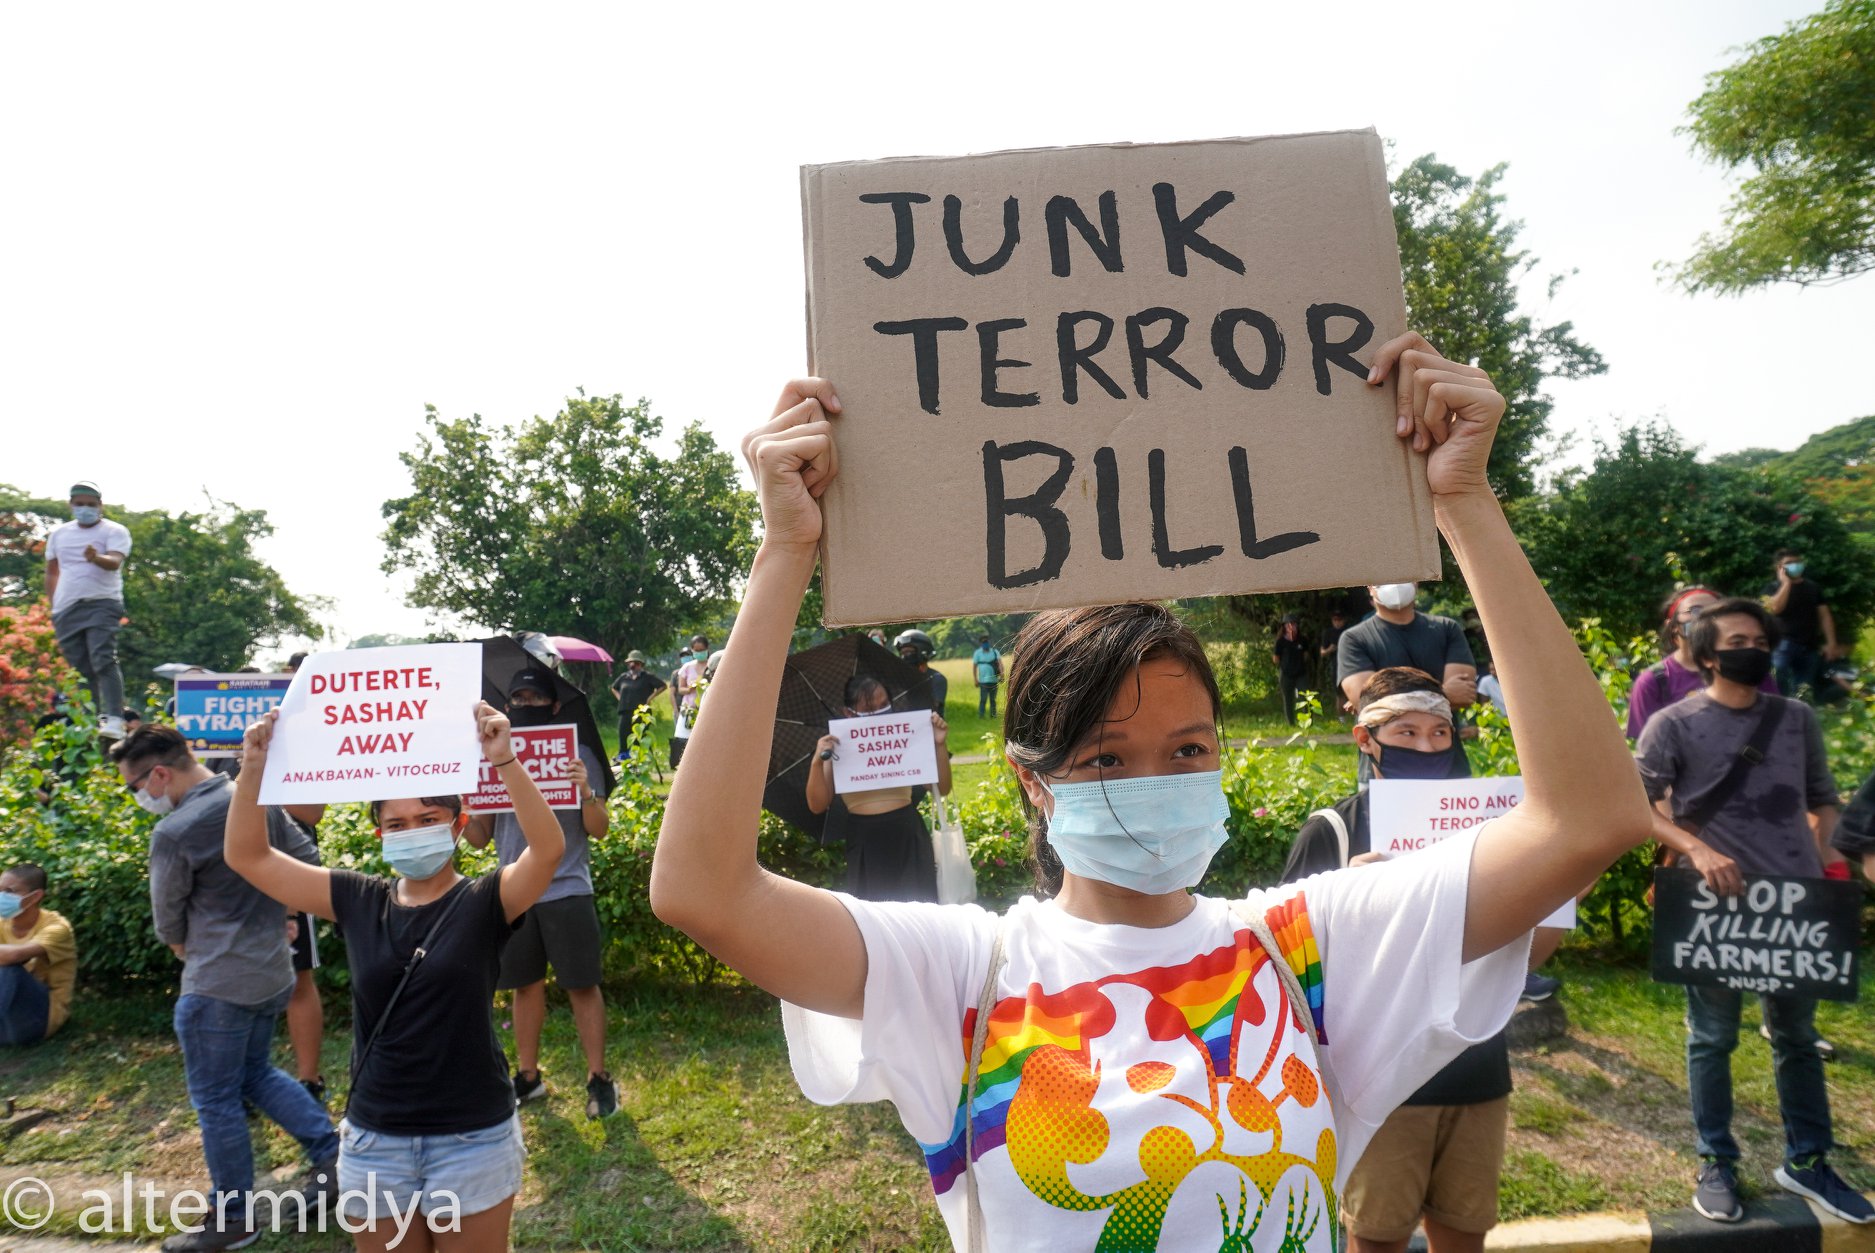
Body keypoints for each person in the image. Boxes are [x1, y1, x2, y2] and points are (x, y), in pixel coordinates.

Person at [650, 341, 1655, 1250]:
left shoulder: (1309, 949)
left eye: (1187, 748)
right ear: (1032, 781)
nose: (1155, 784)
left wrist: (1464, 503)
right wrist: (784, 554)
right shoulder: (958, 975)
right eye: (1103, 758)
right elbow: (703, 888)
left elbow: (1589, 817)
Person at [224, 701, 564, 1252]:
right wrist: (253, 770)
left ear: (458, 825)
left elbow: (548, 851)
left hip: (473, 1137)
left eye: (428, 820)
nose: (413, 832)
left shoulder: (486, 901)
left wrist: (504, 759)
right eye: (397, 824)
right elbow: (247, 856)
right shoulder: (358, 899)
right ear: (379, 833)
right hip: (375, 1139)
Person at [1281, 668, 1566, 1253]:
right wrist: (1347, 902)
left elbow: (1532, 953)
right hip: (1381, 1079)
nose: (1428, 747)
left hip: (1476, 1067)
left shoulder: (1490, 833)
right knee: (1377, 1237)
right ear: (1365, 739)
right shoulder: (1332, 832)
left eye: (1440, 733)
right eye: (1406, 732)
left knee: (1464, 1232)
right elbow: (1289, 970)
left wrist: (1560, 892)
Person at [1634, 597, 1869, 1226]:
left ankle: (1808, 1160)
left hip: (1793, 905)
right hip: (1713, 905)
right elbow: (1637, 807)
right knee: (1712, 1037)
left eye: (1761, 643)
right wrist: (1697, 849)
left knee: (1796, 1038)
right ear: (1707, 654)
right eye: (1738, 642)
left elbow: (1822, 798)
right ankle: (1716, 1160)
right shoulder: (1673, 723)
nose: (1753, 651)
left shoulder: (1796, 718)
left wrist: (1825, 869)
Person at [111, 725, 338, 1252]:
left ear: (159, 774)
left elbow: (168, 922)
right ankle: (333, 1157)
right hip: (272, 970)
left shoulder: (176, 831)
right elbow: (307, 864)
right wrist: (281, 913)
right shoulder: (255, 800)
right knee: (254, 1073)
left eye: (134, 786)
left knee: (216, 1099)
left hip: (217, 982)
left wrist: (190, 947)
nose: (138, 796)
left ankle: (233, 1217)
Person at [464, 669, 618, 1119]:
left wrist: (586, 791)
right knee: (523, 986)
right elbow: (479, 838)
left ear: (554, 706)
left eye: (536, 697)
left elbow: (600, 829)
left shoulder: (579, 754)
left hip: (568, 888)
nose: (526, 703)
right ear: (507, 706)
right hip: (514, 891)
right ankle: (528, 1077)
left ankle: (599, 1078)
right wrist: (463, 809)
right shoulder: (490, 760)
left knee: (582, 986)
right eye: (519, 697)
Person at [804, 674, 952, 902]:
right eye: (869, 708)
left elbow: (941, 788)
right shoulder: (837, 745)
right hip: (865, 839)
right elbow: (817, 804)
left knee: (919, 911)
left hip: (907, 833)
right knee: (874, 915)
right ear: (848, 712)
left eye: (884, 705)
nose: (879, 713)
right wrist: (817, 761)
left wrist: (939, 744)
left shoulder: (905, 733)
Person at [1627, 587, 1776, 739]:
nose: (1704, 617)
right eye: (1694, 611)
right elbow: (1646, 744)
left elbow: (1776, 727)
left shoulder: (1750, 668)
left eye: (1714, 611)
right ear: (1672, 626)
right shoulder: (1653, 682)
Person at [45, 481, 132, 738]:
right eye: (80, 504)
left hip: (102, 602)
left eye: (91, 504)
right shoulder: (59, 534)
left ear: (100, 505)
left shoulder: (114, 531)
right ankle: (89, 720)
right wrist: (54, 606)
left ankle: (114, 718)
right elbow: (52, 572)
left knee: (102, 658)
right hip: (66, 607)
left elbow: (114, 562)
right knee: (81, 669)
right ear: (71, 505)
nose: (85, 509)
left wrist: (96, 558)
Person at [0, 864, 77, 1046]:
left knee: (9, 971)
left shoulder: (57, 927)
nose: (2, 896)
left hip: (39, 1018)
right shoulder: (2, 923)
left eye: (10, 891)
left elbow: (15, 956)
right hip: (6, 1016)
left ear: (35, 896)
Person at [1762, 550, 1840, 699]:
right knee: (1779, 680)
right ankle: (1779, 707)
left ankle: (1799, 710)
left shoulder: (1813, 588)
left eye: (1797, 561)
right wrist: (1786, 583)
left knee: (1804, 688)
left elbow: (1824, 616)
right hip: (1782, 644)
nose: (1795, 565)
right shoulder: (1772, 588)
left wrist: (1831, 643)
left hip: (1809, 645)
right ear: (1779, 567)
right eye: (1789, 563)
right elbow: (1775, 609)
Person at [608, 650, 667, 762]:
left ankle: (639, 758)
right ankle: (624, 758)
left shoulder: (647, 677)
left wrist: (650, 698)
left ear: (641, 664)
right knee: (623, 734)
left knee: (639, 736)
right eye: (631, 663)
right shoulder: (624, 677)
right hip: (625, 710)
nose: (633, 665)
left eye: (636, 663)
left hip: (641, 712)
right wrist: (620, 698)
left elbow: (663, 686)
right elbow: (614, 688)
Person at [669, 636, 709, 768]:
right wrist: (691, 688)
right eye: (696, 650)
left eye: (702, 650)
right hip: (689, 708)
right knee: (684, 737)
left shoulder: (712, 666)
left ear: (707, 649)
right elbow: (680, 689)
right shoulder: (687, 667)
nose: (699, 653)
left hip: (707, 708)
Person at [895, 629, 948, 713]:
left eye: (908, 652)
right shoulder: (900, 680)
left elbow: (931, 709)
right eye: (902, 653)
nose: (904, 657)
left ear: (923, 651)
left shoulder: (936, 679)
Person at [1273, 614, 1310, 725]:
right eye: (1288, 624)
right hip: (1286, 675)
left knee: (1305, 697)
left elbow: (1306, 655)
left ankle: (1307, 722)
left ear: (1297, 626)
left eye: (1293, 624)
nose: (1291, 627)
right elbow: (1275, 659)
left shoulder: (1303, 640)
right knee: (1288, 699)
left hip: (1301, 674)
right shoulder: (1280, 642)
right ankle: (1291, 723)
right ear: (1284, 626)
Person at [971, 633, 1003, 718]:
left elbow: (1000, 664)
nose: (985, 644)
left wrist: (1002, 675)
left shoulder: (995, 652)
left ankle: (993, 715)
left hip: (994, 680)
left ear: (989, 642)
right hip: (983, 681)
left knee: (993, 699)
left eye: (987, 642)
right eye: (984, 642)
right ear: (981, 643)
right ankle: (981, 716)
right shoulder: (977, 653)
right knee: (983, 699)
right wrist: (975, 679)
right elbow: (974, 667)